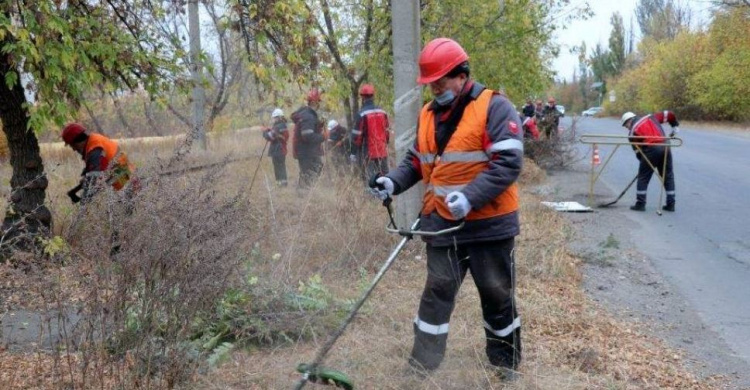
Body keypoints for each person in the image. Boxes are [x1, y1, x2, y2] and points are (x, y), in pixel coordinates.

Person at [369, 37, 524, 378]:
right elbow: (417, 160)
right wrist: (392, 182)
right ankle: (422, 365)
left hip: (490, 225)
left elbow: (508, 162)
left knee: (497, 295)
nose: (435, 87)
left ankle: (504, 365)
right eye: (430, 82)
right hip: (442, 224)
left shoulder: (494, 107)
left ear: (461, 75)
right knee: (436, 294)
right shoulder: (427, 113)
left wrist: (470, 197)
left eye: (439, 80)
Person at [61, 123, 135, 204]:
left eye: (72, 146)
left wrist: (83, 205)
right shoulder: (93, 141)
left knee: (128, 207)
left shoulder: (94, 149)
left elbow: (93, 179)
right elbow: (95, 171)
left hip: (126, 182)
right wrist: (85, 180)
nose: (74, 149)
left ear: (77, 141)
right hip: (127, 177)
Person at [621, 110, 679, 212]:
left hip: (651, 149)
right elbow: (669, 114)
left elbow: (639, 153)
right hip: (665, 145)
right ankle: (671, 204)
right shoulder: (651, 117)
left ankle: (640, 204)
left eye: (626, 126)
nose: (627, 128)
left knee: (643, 177)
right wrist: (675, 126)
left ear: (629, 121)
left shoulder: (632, 133)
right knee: (668, 176)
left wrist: (646, 165)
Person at [352, 84, 390, 182]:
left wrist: (353, 152)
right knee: (384, 178)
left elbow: (357, 138)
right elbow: (387, 133)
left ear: (362, 97)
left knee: (369, 179)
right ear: (373, 96)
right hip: (382, 151)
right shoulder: (383, 112)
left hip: (367, 152)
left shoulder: (361, 114)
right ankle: (385, 196)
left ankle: (370, 196)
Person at [291, 88, 326, 188]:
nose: (319, 104)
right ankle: (304, 195)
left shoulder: (308, 114)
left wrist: (318, 125)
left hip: (306, 150)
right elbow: (307, 136)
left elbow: (308, 130)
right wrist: (323, 136)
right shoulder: (308, 116)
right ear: (314, 102)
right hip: (306, 151)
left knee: (315, 169)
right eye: (318, 101)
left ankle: (305, 193)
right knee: (309, 174)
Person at [264, 108, 290, 186]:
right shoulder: (283, 125)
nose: (274, 119)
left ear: (278, 117)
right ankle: (283, 183)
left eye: (274, 118)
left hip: (278, 150)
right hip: (281, 150)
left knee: (278, 167)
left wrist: (265, 132)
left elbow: (270, 136)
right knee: (281, 166)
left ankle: (280, 184)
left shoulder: (278, 126)